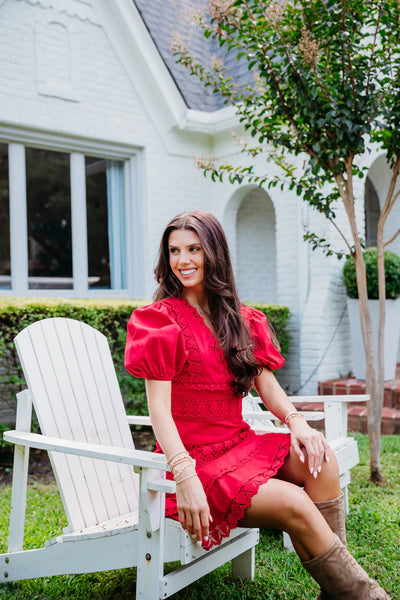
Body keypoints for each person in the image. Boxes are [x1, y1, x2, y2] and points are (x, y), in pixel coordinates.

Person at [125, 210, 390, 599]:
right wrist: (184, 476)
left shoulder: (240, 320)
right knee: (295, 503)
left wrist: (298, 424)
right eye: (174, 251)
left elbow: (267, 385)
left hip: (240, 444)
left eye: (194, 249)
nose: (183, 261)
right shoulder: (159, 321)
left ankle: (338, 594)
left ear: (214, 253)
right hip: (196, 464)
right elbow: (159, 412)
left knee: (323, 462)